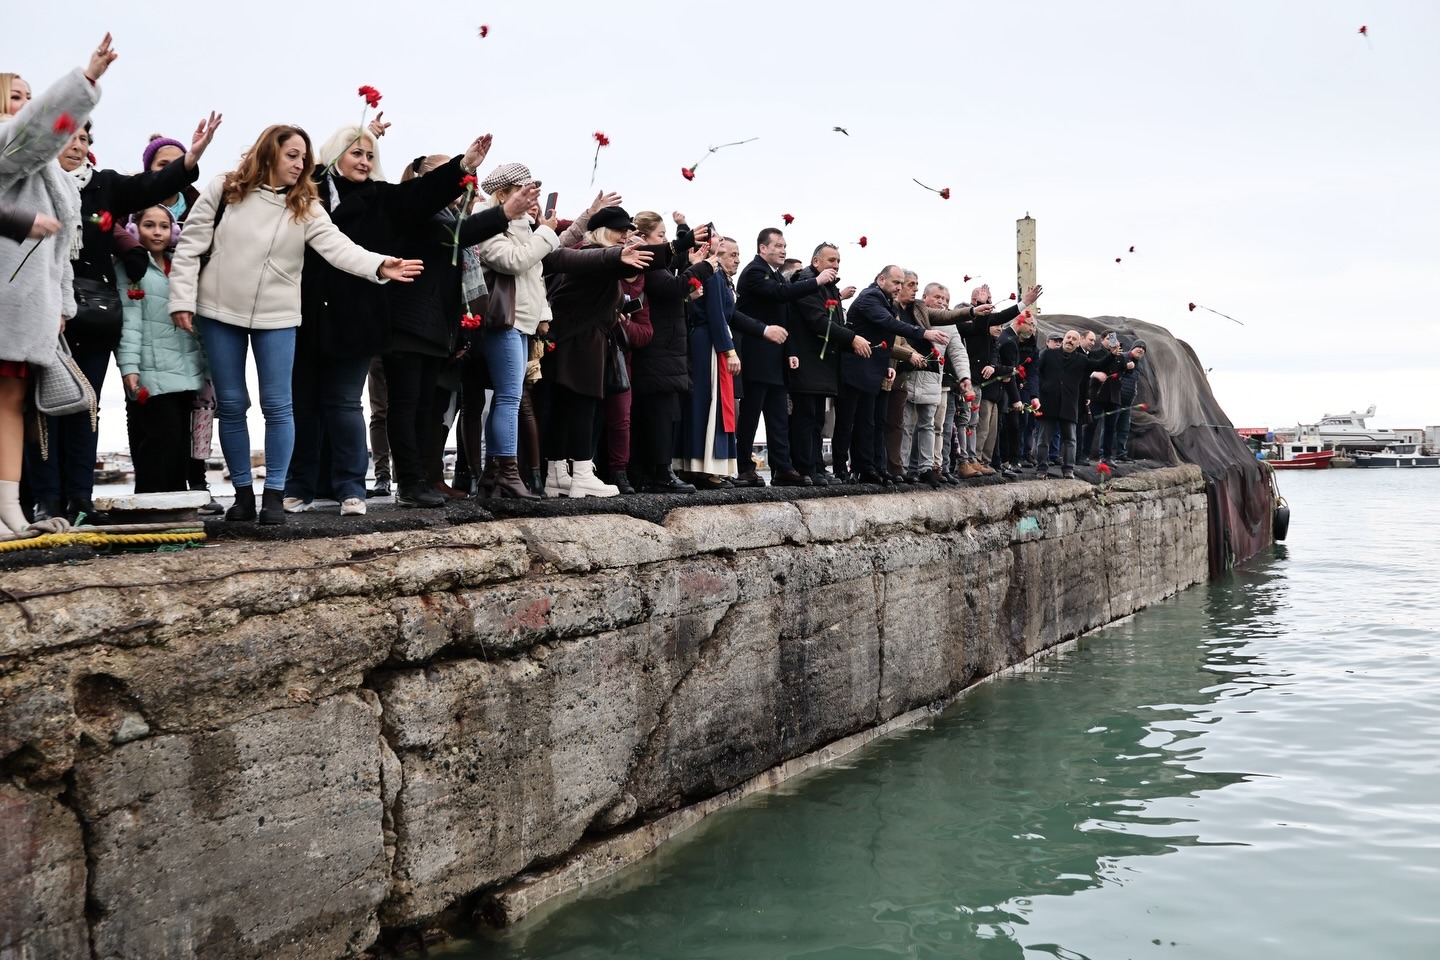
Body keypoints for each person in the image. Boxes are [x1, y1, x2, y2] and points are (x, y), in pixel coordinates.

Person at [168, 123, 426, 524]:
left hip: (278, 315)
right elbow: (190, 246)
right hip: (219, 310)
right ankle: (241, 495)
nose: (300, 163)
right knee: (233, 405)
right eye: (292, 155)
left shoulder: (305, 203)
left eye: (304, 157)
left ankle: (274, 494)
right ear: (269, 153)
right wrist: (182, 299)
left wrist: (379, 264)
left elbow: (339, 247)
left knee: (279, 405)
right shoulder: (225, 188)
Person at [282, 127, 494, 516]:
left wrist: (461, 167)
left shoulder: (380, 197)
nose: (364, 161)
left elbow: (419, 193)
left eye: (369, 155)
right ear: (335, 154)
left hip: (359, 310)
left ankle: (350, 487)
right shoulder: (307, 191)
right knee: (305, 404)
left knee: (345, 404)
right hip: (306, 308)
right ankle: (302, 485)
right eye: (355, 153)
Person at [25, 101, 219, 524]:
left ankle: (79, 497)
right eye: (69, 136)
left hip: (92, 313)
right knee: (41, 407)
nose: (77, 145)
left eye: (84, 138)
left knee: (85, 406)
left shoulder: (105, 186)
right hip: (39, 307)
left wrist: (190, 160)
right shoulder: (32, 182)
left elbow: (152, 187)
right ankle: (43, 498)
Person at [0, 39, 108, 538]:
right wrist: (84, 81)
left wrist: (62, 306)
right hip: (7, 297)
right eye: (17, 94)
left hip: (29, 304)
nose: (27, 101)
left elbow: (65, 250)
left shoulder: (54, 176)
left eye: (29, 94)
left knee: (13, 404)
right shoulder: (9, 148)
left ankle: (11, 512)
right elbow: (37, 130)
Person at [381, 154, 514, 507]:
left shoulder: (449, 214)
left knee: (426, 406)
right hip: (409, 321)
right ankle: (409, 482)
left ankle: (423, 479)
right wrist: (504, 213)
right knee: (407, 405)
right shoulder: (416, 209)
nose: (464, 182)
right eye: (456, 176)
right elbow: (459, 234)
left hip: (435, 325)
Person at [540, 205, 656, 497]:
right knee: (583, 407)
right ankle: (580, 473)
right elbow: (597, 260)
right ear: (603, 232)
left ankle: (556, 475)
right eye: (620, 230)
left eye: (628, 231)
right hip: (582, 343)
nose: (625, 236)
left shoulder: (599, 257)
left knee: (566, 409)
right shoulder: (593, 253)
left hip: (575, 341)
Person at [117, 205, 207, 492]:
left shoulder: (182, 266)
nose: (157, 232)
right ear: (135, 229)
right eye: (149, 225)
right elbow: (129, 321)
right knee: (160, 437)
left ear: (174, 231)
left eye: (164, 226)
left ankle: (176, 505)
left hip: (187, 369)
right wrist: (129, 366)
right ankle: (150, 503)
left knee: (181, 441)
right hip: (151, 370)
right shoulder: (129, 267)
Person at [832, 265, 950, 485]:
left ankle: (866, 467)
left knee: (868, 423)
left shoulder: (884, 301)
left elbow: (882, 336)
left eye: (900, 283)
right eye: (896, 282)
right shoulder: (870, 298)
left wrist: (887, 362)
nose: (898, 287)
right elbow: (889, 325)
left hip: (871, 369)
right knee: (847, 421)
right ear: (881, 279)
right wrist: (924, 332)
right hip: (853, 369)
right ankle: (840, 469)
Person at [631, 211, 716, 494]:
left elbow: (673, 275)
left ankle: (655, 471)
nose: (665, 240)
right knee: (658, 414)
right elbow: (672, 286)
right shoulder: (646, 260)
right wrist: (704, 267)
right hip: (659, 351)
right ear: (643, 238)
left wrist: (691, 263)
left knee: (663, 413)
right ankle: (659, 473)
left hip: (666, 350)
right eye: (660, 236)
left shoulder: (655, 261)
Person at [733, 227, 824, 487]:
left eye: (785, 246)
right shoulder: (754, 272)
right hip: (755, 354)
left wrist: (791, 350)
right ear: (763, 248)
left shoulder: (776, 275)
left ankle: (782, 467)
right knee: (750, 415)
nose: (783, 250)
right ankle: (744, 467)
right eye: (778, 245)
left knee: (778, 417)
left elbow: (785, 317)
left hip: (776, 358)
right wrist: (816, 281)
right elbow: (780, 295)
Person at [787, 243, 866, 485]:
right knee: (806, 417)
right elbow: (818, 322)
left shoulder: (830, 288)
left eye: (838, 261)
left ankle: (817, 467)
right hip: (807, 359)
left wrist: (852, 341)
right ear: (816, 261)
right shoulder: (807, 282)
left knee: (817, 421)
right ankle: (806, 467)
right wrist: (852, 339)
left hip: (823, 364)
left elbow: (836, 324)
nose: (835, 265)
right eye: (831, 260)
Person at [675, 237, 742, 488]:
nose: (737, 259)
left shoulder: (721, 278)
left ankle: (697, 466)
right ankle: (707, 468)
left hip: (706, 339)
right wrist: (729, 351)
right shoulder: (714, 275)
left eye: (738, 254)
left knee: (705, 402)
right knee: (711, 402)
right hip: (710, 342)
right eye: (731, 254)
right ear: (717, 254)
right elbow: (716, 316)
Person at [1033, 329, 1125, 479]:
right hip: (1049, 402)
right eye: (1068, 337)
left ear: (1078, 343)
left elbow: (1098, 364)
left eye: (1073, 339)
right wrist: (1043, 388)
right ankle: (1041, 468)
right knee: (1043, 439)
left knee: (1070, 439)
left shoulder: (1081, 359)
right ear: (1063, 340)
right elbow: (1038, 372)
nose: (1070, 340)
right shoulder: (1049, 354)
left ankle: (1068, 468)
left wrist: (1112, 354)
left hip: (1069, 404)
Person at [1114, 339, 1147, 461]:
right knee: (1109, 428)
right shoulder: (1121, 356)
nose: (1141, 350)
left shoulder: (1139, 366)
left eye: (1143, 349)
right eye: (1139, 347)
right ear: (1132, 347)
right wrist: (1125, 366)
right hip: (1115, 400)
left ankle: (1121, 454)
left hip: (1127, 403)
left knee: (1123, 429)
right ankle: (1104, 455)